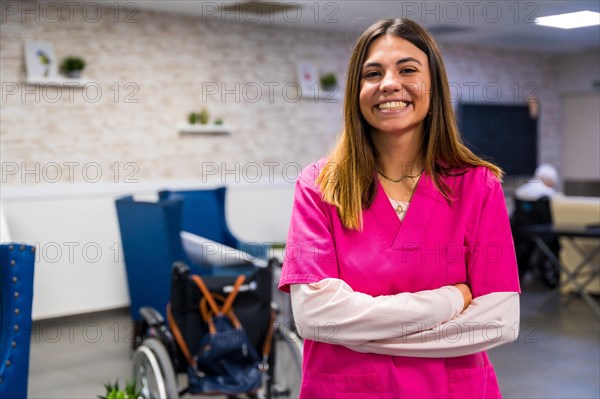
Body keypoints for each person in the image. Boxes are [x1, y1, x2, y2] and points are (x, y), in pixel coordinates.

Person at [278, 18, 520, 398]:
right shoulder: (320, 185)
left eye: (408, 69)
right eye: (372, 73)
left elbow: (498, 323)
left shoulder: (477, 186)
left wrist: (359, 332)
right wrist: (451, 298)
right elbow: (316, 319)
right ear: (356, 92)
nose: (389, 83)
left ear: (433, 87)